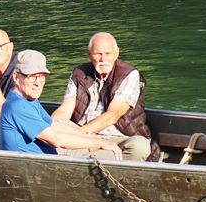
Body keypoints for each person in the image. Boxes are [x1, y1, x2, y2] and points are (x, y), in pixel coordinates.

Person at [51, 32, 159, 161]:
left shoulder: (129, 74)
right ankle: (91, 155)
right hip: (82, 134)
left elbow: (113, 115)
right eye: (98, 54)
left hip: (118, 137)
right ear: (89, 55)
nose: (103, 59)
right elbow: (65, 109)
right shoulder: (78, 74)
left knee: (140, 147)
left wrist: (81, 135)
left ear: (116, 54)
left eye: (107, 53)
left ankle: (81, 155)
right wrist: (49, 128)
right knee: (54, 125)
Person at [0, 49, 122, 158]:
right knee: (109, 155)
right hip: (36, 167)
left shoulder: (29, 99)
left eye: (42, 76)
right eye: (32, 76)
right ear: (16, 77)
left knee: (103, 149)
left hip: (48, 157)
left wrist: (90, 136)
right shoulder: (17, 106)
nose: (38, 83)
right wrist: (101, 143)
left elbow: (53, 125)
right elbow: (55, 139)